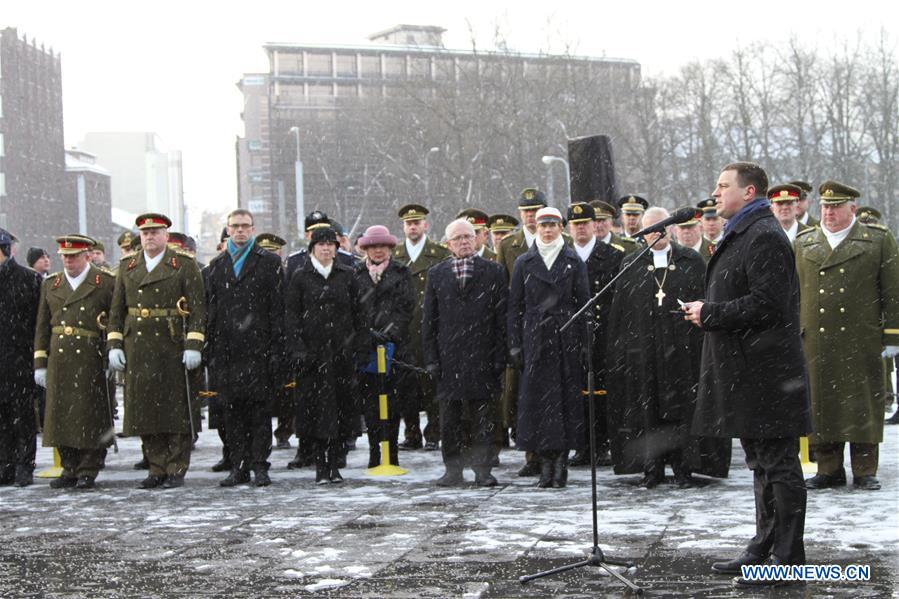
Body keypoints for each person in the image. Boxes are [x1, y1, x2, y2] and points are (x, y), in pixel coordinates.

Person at [685, 162, 810, 586]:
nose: (715, 193)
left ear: (750, 191)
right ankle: (763, 546)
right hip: (750, 372)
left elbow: (769, 304)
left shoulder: (763, 235)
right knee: (760, 464)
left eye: (723, 186)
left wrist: (711, 312)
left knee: (779, 465)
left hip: (769, 374)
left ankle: (789, 558)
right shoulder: (744, 231)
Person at [607, 208, 729, 488]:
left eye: (661, 228)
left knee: (681, 410)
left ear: (671, 229)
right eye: (650, 229)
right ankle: (652, 466)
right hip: (644, 353)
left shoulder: (691, 260)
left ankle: (684, 465)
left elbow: (705, 304)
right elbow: (620, 314)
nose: (655, 234)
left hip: (683, 353)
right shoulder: (631, 263)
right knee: (647, 410)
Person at [794, 181, 899, 491]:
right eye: (825, 207)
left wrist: (892, 336)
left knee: (862, 403)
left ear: (852, 208)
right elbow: (794, 292)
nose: (829, 212)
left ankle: (865, 469)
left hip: (861, 338)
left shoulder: (877, 240)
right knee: (821, 403)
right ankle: (828, 468)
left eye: (836, 206)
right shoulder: (804, 242)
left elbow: (892, 292)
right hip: (815, 338)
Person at [107, 213, 206, 489]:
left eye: (155, 232)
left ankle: (175, 468)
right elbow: (117, 310)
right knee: (146, 411)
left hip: (171, 344)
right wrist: (114, 344)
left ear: (166, 235)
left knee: (176, 411)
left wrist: (194, 344)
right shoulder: (128, 266)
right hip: (138, 346)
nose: (149, 237)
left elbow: (198, 309)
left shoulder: (183, 265)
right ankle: (156, 467)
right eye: (145, 233)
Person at [422, 219, 507, 487]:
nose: (464, 242)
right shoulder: (436, 274)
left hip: (483, 356)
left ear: (478, 239)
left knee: (484, 418)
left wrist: (500, 356)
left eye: (468, 236)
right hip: (449, 359)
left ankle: (483, 469)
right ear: (448, 244)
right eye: (457, 238)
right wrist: (432, 359)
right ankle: (453, 470)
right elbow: (429, 321)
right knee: (450, 420)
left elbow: (502, 318)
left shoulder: (493, 271)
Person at [508, 207, 589, 488]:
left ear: (561, 228)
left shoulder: (573, 261)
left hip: (565, 338)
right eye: (543, 225)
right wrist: (516, 344)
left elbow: (584, 304)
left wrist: (583, 343)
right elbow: (514, 307)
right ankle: (544, 464)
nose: (547, 230)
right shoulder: (524, 262)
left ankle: (561, 464)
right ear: (537, 228)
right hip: (536, 340)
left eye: (553, 225)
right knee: (539, 406)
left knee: (565, 404)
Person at [204, 209, 285, 487]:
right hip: (227, 351)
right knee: (232, 412)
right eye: (235, 226)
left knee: (259, 412)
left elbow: (278, 309)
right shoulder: (217, 265)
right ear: (228, 229)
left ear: (253, 229)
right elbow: (211, 310)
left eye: (245, 226)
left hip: (258, 349)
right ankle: (238, 466)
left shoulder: (269, 262)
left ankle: (260, 466)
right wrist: (210, 348)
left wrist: (277, 348)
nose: (240, 231)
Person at [33, 235, 115, 489]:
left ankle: (88, 468)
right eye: (65, 256)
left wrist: (113, 349)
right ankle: (69, 466)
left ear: (87, 256)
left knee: (89, 412)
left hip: (90, 354)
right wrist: (40, 362)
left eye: (74, 256)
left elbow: (114, 319)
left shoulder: (104, 282)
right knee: (61, 413)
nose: (68, 261)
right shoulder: (52, 284)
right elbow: (42, 326)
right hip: (60, 354)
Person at [286, 227, 363, 484]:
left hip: (341, 356)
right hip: (312, 358)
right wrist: (298, 348)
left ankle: (337, 463)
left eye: (331, 244)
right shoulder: (300, 277)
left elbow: (359, 314)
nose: (326, 249)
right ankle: (321, 465)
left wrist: (357, 346)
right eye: (321, 245)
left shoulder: (348, 275)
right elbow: (292, 317)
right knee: (316, 412)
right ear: (312, 249)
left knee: (341, 410)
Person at [566, 202, 623, 467]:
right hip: (573, 334)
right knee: (576, 393)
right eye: (575, 225)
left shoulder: (612, 255)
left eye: (585, 224)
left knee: (601, 393)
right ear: (569, 228)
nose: (581, 229)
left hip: (603, 334)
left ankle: (601, 444)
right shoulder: (564, 256)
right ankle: (580, 445)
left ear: (594, 225)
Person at [496, 188, 548, 477]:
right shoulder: (508, 245)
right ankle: (531, 454)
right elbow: (504, 294)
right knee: (521, 396)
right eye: (526, 211)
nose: (530, 216)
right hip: (522, 329)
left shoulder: (556, 241)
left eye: (536, 211)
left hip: (550, 328)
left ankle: (551, 452)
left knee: (548, 394)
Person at [354, 225, 415, 468]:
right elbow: (353, 308)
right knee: (370, 405)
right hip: (366, 349)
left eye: (382, 246)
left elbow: (407, 307)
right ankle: (374, 453)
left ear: (390, 248)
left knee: (392, 404)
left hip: (395, 348)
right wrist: (367, 333)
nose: (378, 251)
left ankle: (391, 454)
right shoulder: (356, 273)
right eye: (373, 247)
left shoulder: (402, 272)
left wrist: (389, 332)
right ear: (366, 249)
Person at [392, 204, 450, 452]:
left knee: (432, 385)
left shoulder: (438, 253)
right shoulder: (395, 255)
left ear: (426, 225)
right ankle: (412, 433)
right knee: (406, 387)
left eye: (417, 222)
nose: (413, 227)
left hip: (430, 329)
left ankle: (434, 433)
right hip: (404, 331)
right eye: (408, 223)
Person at [0, 227, 42, 487]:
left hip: (20, 359)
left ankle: (24, 465)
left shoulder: (28, 279)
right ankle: (4, 464)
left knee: (22, 415)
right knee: (2, 417)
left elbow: (39, 322)